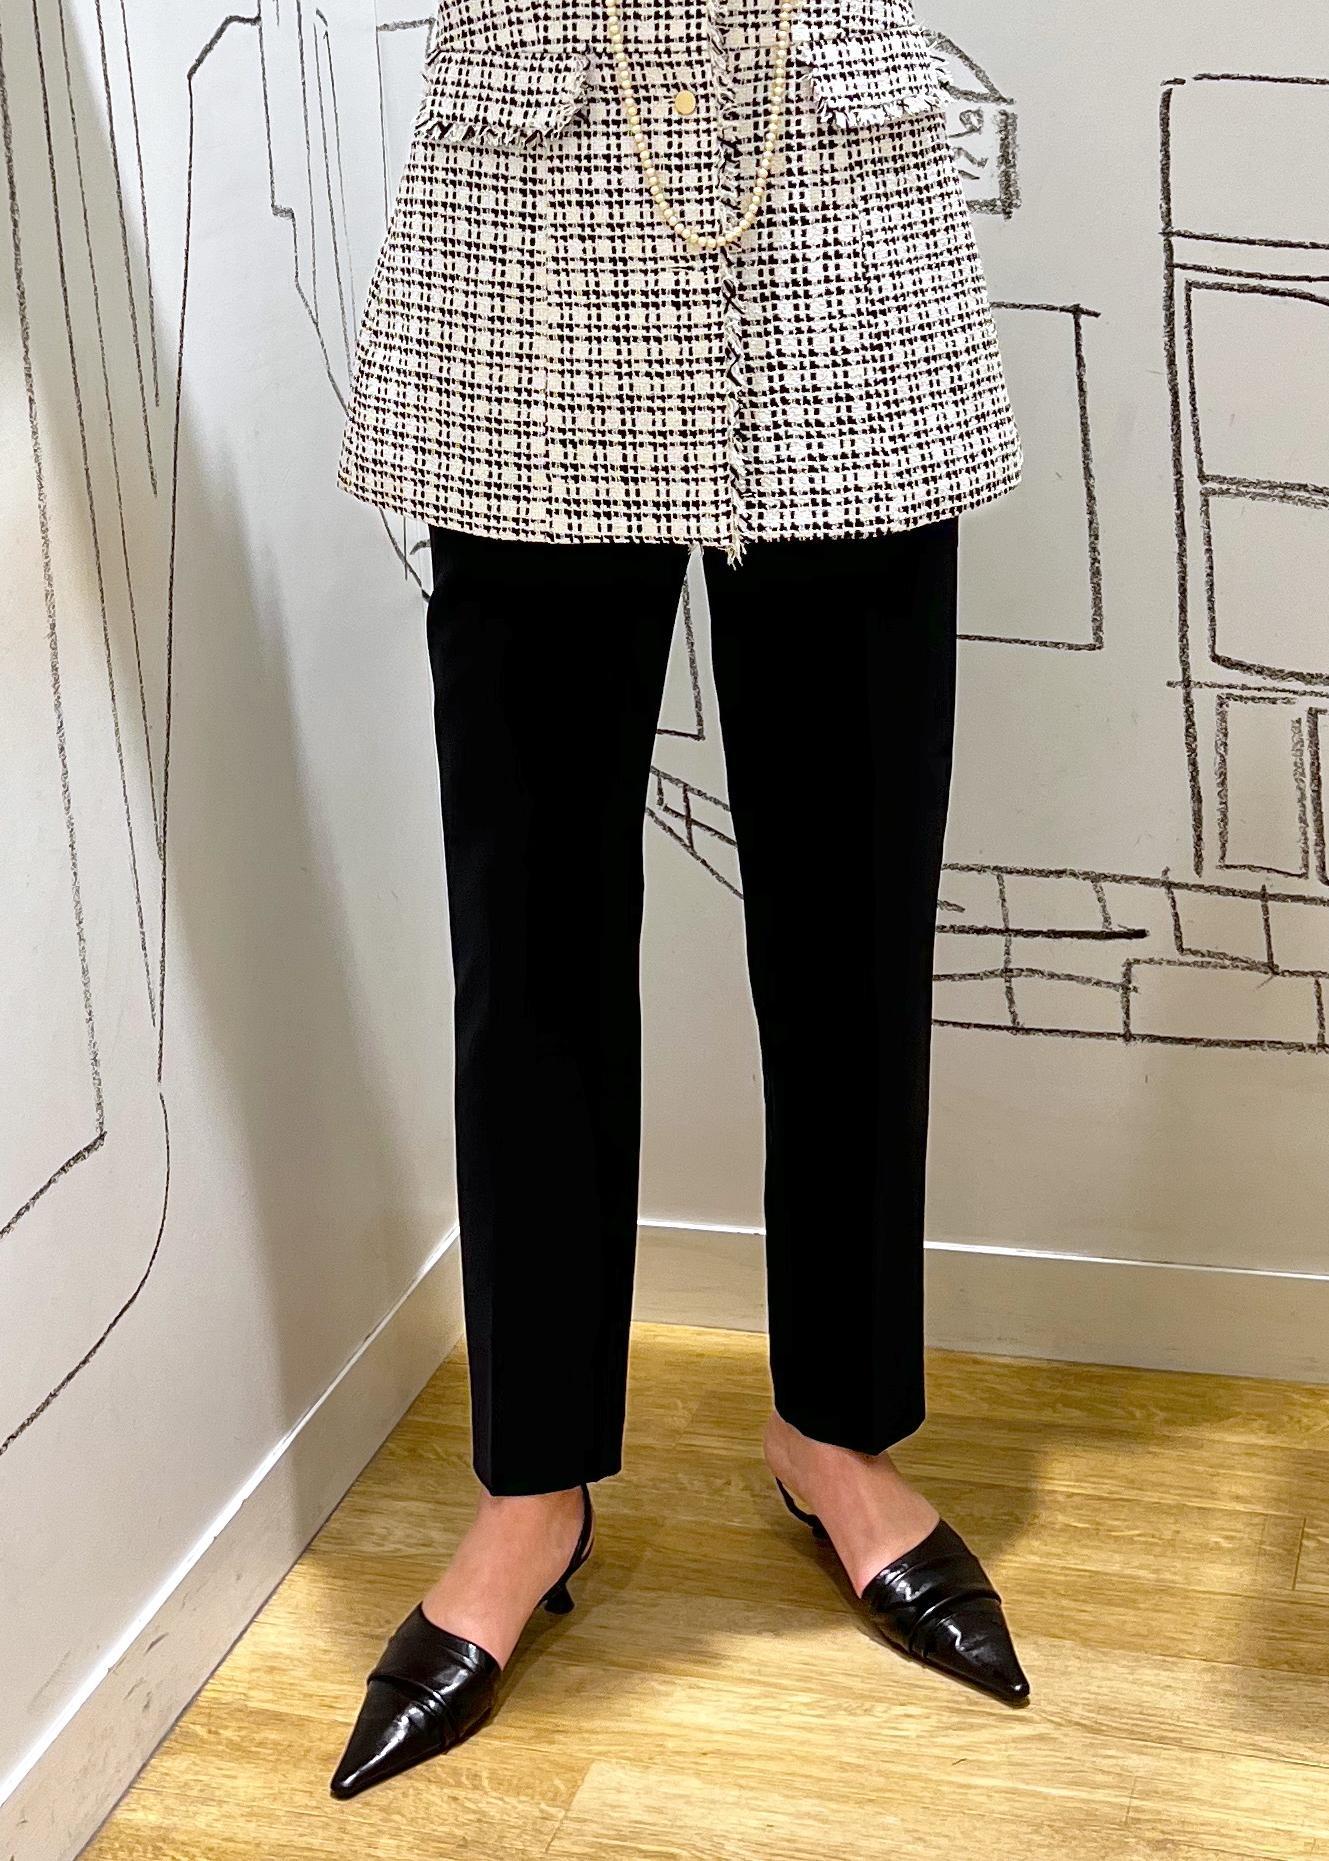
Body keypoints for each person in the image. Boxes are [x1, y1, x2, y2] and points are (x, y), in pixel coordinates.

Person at [330, 0, 1028, 1801]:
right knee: (530, 925)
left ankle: (836, 1431)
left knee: (855, 901)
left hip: (839, 194)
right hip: (542, 203)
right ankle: (530, 1486)